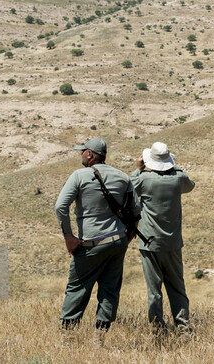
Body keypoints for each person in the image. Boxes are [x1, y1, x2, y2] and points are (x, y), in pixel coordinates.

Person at [55, 137, 140, 332]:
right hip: (117, 241)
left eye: (83, 151)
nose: (81, 154)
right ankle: (100, 337)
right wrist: (127, 237)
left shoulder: (79, 175)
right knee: (110, 290)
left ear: (90, 154)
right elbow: (136, 210)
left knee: (77, 289)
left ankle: (67, 335)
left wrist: (68, 236)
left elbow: (60, 206)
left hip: (91, 243)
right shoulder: (122, 176)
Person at [130, 141, 195, 333]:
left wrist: (138, 169)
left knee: (154, 290)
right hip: (173, 242)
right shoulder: (179, 179)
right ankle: (183, 327)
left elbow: (128, 187)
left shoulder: (144, 179)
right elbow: (190, 185)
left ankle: (157, 328)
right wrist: (174, 167)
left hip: (150, 242)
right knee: (177, 287)